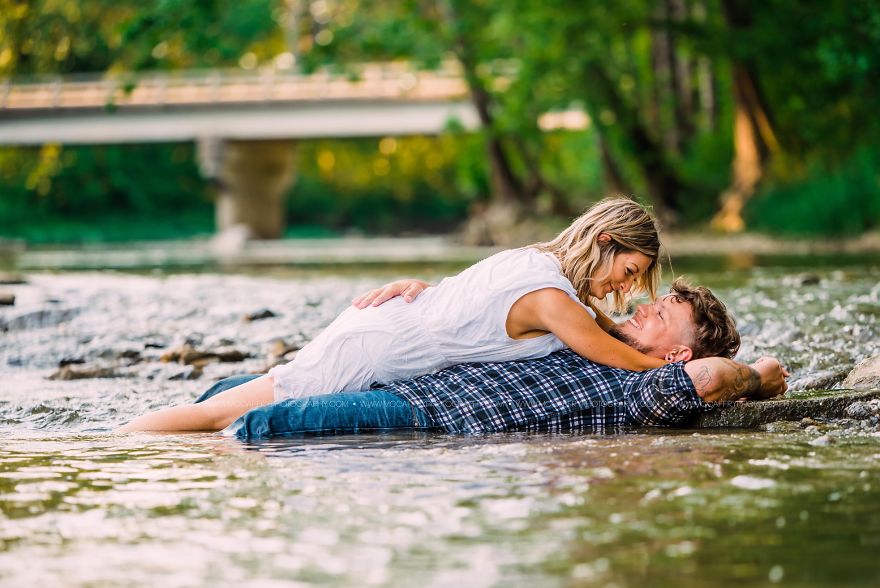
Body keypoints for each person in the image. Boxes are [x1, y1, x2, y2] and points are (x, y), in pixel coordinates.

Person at [118, 197, 670, 434]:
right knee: (224, 414)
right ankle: (117, 442)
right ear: (604, 241)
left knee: (242, 404)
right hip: (381, 347)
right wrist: (675, 367)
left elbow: (600, 327)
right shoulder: (553, 300)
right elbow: (616, 357)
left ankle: (134, 439)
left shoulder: (539, 264)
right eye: (630, 269)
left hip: (389, 335)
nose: (625, 286)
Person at [209, 279, 788, 439]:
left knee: (262, 424)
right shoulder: (594, 335)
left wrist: (758, 376)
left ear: (678, 353)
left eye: (658, 316)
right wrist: (432, 292)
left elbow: (711, 377)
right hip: (413, 381)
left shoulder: (650, 389)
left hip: (429, 417)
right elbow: (504, 304)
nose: (641, 309)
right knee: (224, 392)